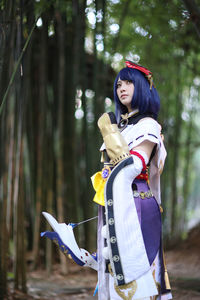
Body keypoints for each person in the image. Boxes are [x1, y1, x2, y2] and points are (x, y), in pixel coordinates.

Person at [92, 60, 172, 299]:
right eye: (118, 85)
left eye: (128, 83)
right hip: (116, 200)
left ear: (141, 86)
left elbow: (134, 165)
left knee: (134, 275)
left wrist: (111, 136)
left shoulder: (148, 124)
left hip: (136, 204)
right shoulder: (124, 125)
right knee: (112, 264)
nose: (122, 88)